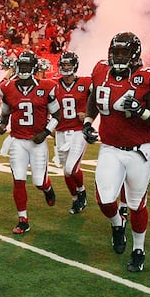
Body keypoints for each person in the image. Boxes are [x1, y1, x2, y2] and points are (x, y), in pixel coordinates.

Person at [83, 31, 150, 272]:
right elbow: (94, 97)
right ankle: (117, 224)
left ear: (134, 54)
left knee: (136, 203)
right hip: (110, 148)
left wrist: (142, 112)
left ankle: (138, 249)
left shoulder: (147, 77)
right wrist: (89, 121)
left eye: (124, 52)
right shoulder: (100, 70)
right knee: (105, 199)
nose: (119, 57)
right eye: (116, 52)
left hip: (138, 150)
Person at [0, 50, 60, 234]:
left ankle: (46, 187)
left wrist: (46, 132)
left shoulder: (47, 86)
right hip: (18, 140)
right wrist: (2, 124)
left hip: (37, 141)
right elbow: (6, 113)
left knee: (39, 181)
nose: (23, 69)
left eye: (26, 65)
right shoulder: (7, 87)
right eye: (21, 65)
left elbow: (57, 115)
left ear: (33, 67)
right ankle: (23, 219)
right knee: (18, 179)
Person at [54, 51, 91, 214]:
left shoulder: (86, 82)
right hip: (61, 131)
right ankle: (75, 200)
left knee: (71, 168)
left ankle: (81, 190)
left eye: (68, 64)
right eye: (63, 64)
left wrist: (88, 115)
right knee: (66, 171)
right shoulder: (54, 85)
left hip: (78, 130)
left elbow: (98, 98)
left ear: (74, 65)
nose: (65, 67)